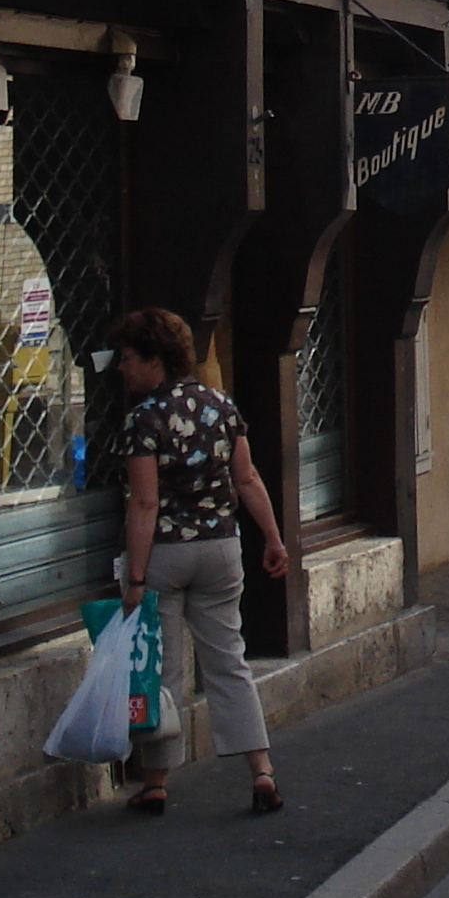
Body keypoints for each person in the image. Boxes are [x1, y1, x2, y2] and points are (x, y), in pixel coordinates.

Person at [110, 307, 288, 817]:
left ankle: (157, 783)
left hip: (165, 553)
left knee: (162, 672)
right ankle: (261, 770)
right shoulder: (220, 406)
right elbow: (247, 479)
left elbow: (143, 504)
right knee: (229, 660)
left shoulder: (143, 420)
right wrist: (273, 539)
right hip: (222, 547)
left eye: (127, 359)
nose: (123, 368)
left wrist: (135, 579)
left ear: (153, 360)